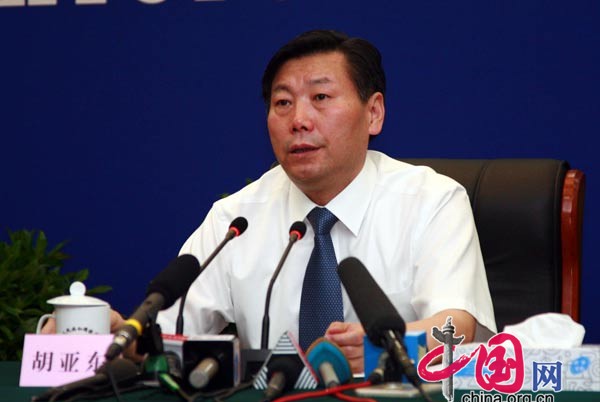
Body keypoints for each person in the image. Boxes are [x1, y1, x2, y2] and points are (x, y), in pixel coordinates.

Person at [44, 30, 497, 373]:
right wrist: (114, 336)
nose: (299, 120)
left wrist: (385, 346)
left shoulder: (432, 201)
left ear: (373, 112)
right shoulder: (237, 218)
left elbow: (458, 327)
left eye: (321, 97)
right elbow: (168, 335)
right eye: (283, 103)